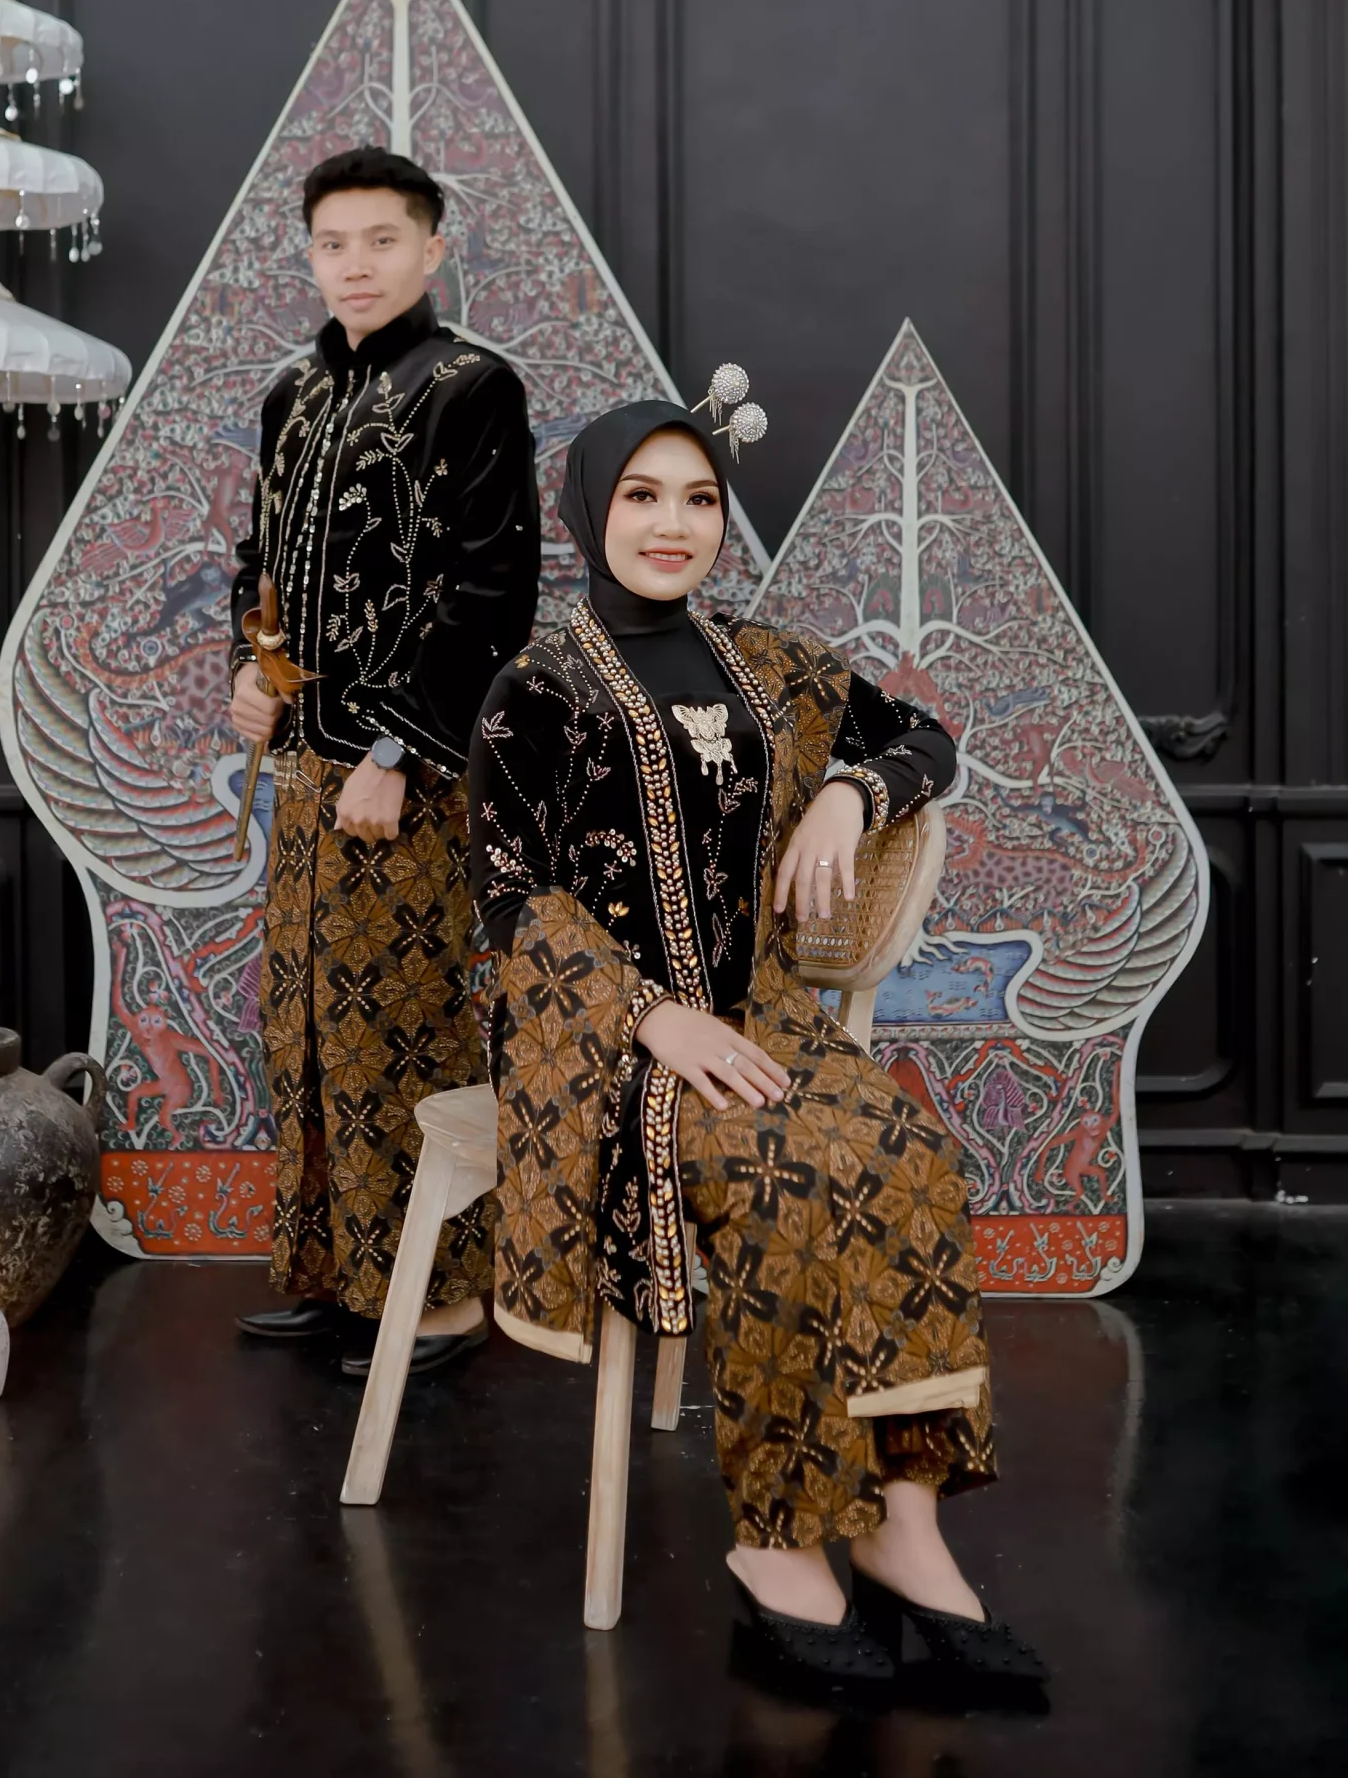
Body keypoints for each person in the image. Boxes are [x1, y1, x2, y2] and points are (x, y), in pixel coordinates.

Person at [469, 395, 1047, 1684]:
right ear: (590, 510)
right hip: (604, 1039)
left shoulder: (768, 663)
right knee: (783, 1177)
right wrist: (650, 1015)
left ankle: (901, 1526)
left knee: (906, 1159)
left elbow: (925, 738)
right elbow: (510, 898)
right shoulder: (538, 688)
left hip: (765, 1019)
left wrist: (849, 788)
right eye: (640, 496)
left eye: (697, 499)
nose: (670, 524)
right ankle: (778, 1538)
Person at [230, 146, 541, 1378]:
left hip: (399, 779)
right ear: (310, 256)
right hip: (305, 775)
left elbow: (490, 596)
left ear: (430, 248)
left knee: (400, 1029)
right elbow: (258, 561)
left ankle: (441, 1296)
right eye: (331, 243)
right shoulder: (293, 394)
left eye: (380, 240)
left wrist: (397, 750)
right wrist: (250, 670)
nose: (353, 265)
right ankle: (341, 1277)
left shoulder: (469, 386)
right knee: (306, 1026)